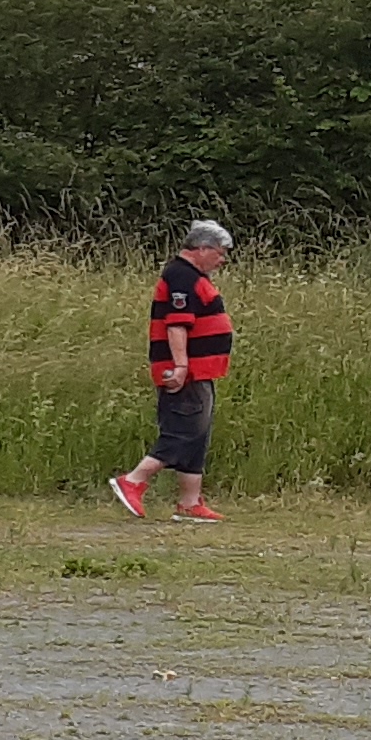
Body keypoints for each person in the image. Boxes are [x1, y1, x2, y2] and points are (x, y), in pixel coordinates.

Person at [113, 219, 237, 523]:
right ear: (202, 248)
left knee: (199, 433)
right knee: (184, 431)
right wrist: (180, 366)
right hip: (186, 369)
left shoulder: (192, 276)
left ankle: (190, 502)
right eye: (220, 253)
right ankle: (134, 480)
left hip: (201, 369)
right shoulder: (181, 276)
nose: (223, 260)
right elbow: (177, 324)